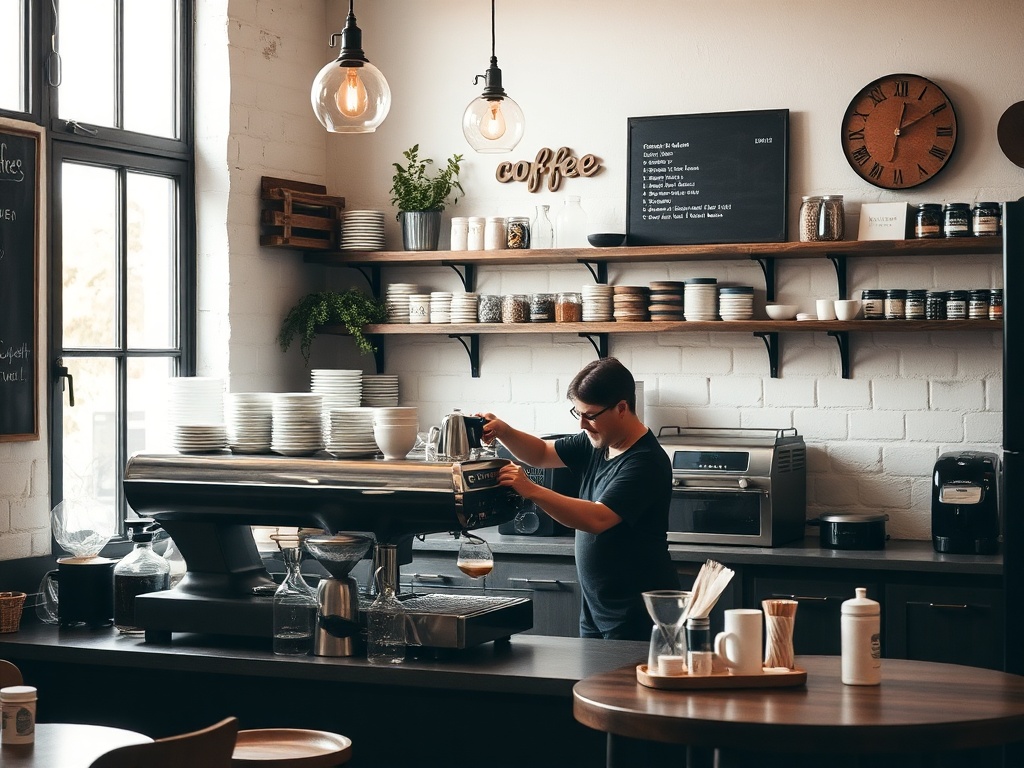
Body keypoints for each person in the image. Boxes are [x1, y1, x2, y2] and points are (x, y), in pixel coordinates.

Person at [480, 357, 678, 640]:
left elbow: (597, 518)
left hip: (637, 615)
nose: (583, 424)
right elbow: (540, 453)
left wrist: (532, 490)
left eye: (591, 415)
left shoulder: (645, 461)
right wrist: (504, 432)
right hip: (597, 611)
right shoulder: (597, 441)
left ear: (622, 407)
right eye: (578, 413)